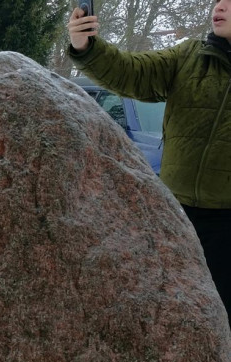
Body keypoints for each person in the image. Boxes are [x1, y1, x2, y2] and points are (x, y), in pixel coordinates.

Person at [68, 0, 231, 314]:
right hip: (174, 213)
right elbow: (131, 73)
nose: (220, 5)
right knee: (165, 309)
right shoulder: (188, 56)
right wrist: (85, 45)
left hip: (226, 224)